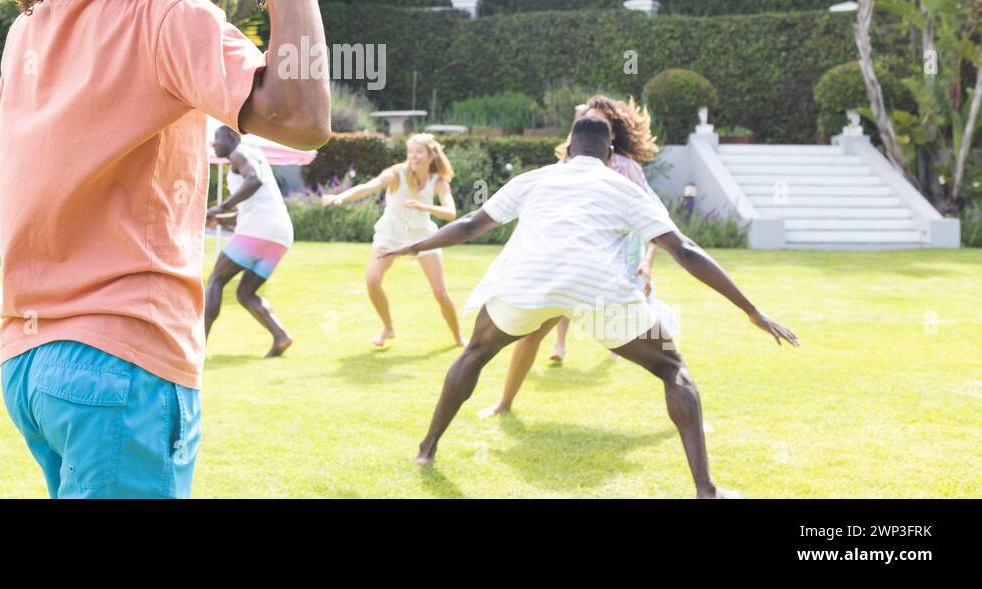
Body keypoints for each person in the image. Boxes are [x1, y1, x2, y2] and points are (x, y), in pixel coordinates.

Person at [0, 0, 330, 498]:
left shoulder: (26, 32)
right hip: (121, 363)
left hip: (30, 364)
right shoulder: (166, 17)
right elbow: (302, 115)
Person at [386, 115, 798, 498]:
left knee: (475, 352)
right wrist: (750, 309)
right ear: (610, 156)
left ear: (566, 148)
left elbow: (472, 223)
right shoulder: (625, 188)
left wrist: (419, 245)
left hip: (526, 281)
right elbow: (685, 251)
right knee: (672, 368)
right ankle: (706, 491)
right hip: (597, 287)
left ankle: (427, 448)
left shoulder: (535, 179)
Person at [480, 95, 664, 417]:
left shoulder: (626, 170)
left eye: (599, 123)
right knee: (531, 335)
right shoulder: (564, 167)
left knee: (662, 353)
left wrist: (646, 264)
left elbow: (656, 223)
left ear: (612, 134)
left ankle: (686, 405)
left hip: (610, 274)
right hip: (565, 265)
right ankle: (505, 402)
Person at [322, 133, 464, 346]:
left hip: (422, 234)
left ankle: (459, 337)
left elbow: (450, 212)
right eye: (410, 151)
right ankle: (388, 328)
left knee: (440, 293)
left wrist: (424, 207)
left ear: (431, 155)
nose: (413, 156)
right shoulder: (396, 174)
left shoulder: (438, 181)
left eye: (418, 152)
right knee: (372, 280)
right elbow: (370, 186)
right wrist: (341, 197)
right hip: (391, 233)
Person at [204, 125, 295, 357]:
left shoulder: (240, 153)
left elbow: (252, 180)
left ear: (232, 136)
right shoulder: (253, 156)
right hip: (280, 235)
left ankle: (198, 345)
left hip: (258, 229)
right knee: (245, 293)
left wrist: (222, 205)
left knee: (216, 279)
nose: (214, 144)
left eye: (218, 138)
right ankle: (281, 336)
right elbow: (246, 212)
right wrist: (219, 218)